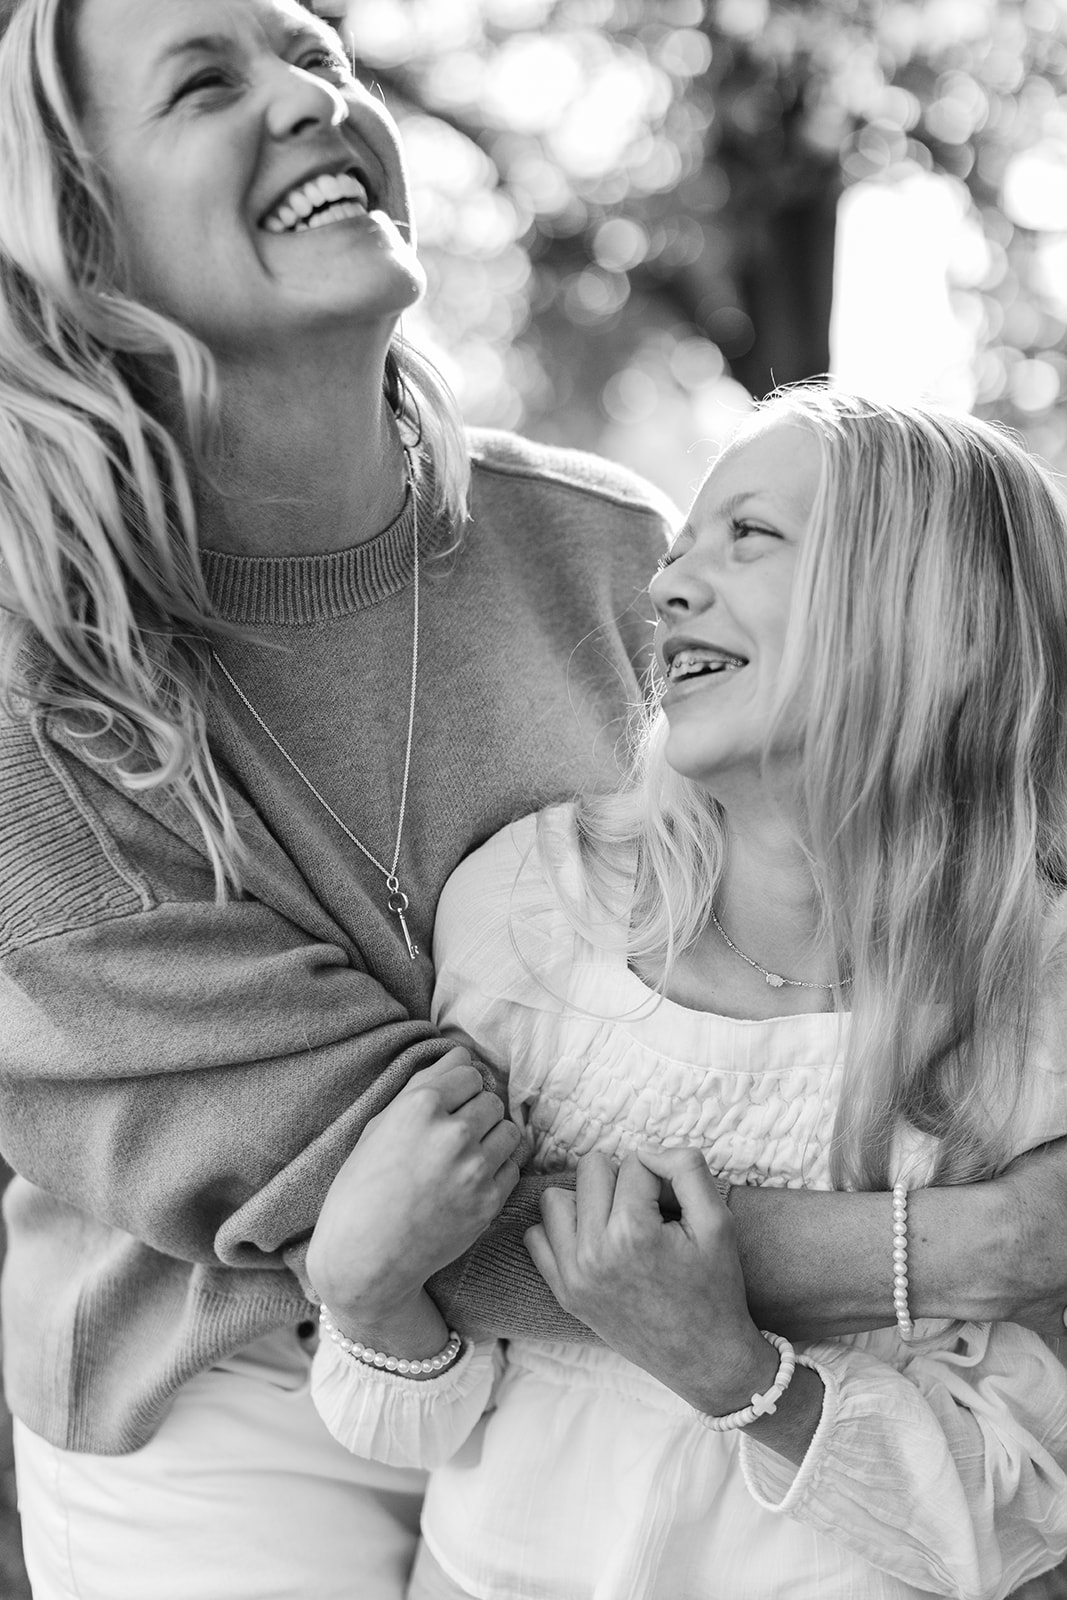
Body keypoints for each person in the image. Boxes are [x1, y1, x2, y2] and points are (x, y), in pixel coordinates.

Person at [0, 1, 1064, 1596]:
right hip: (215, 1361)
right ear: (76, 236)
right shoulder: (35, 704)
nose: (310, 98)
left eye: (319, 54)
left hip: (673, 1374)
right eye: (207, 83)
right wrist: (961, 1253)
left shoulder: (608, 551)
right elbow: (356, 1181)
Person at [305, 389, 1067, 1600]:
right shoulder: (527, 912)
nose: (663, 588)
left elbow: (1021, 1523)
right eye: (677, 550)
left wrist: (738, 1376)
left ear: (944, 617)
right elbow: (414, 1427)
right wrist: (363, 1290)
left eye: (748, 536)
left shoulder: (1037, 1013)